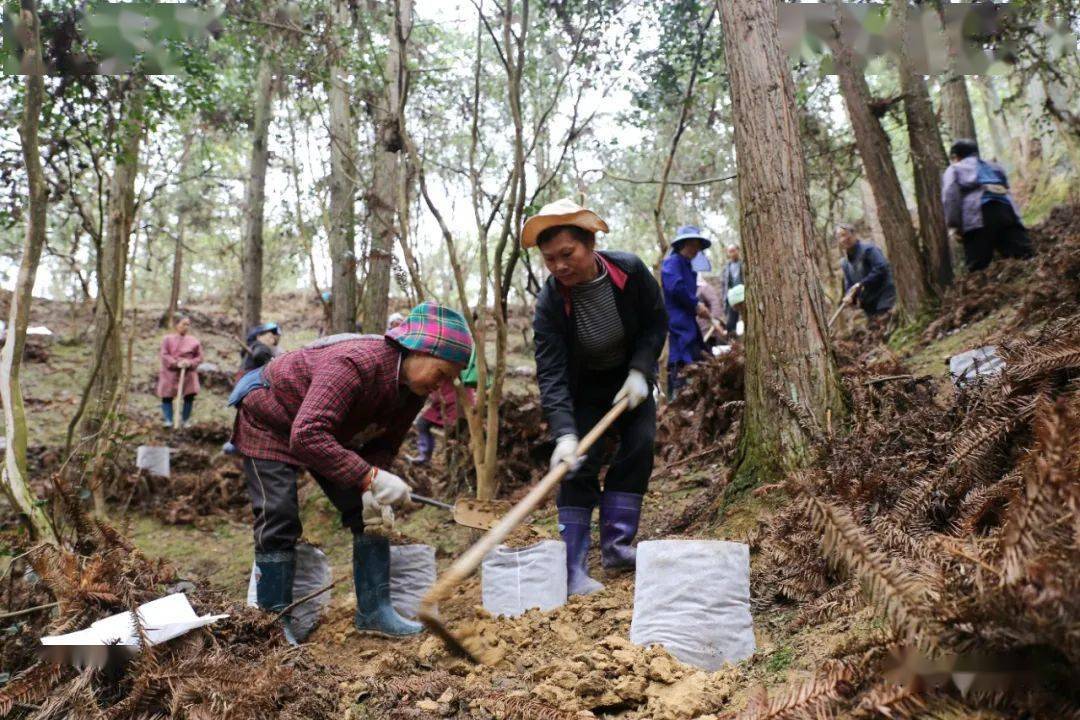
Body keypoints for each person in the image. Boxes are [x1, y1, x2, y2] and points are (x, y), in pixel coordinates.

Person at [228, 301, 473, 640]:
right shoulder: (354, 363)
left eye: (451, 379)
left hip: (323, 431)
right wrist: (368, 477)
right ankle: (271, 625)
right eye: (442, 373)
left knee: (369, 509)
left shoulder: (413, 391)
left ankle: (374, 612)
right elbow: (306, 435)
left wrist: (374, 482)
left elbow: (383, 445)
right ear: (418, 350)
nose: (442, 385)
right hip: (269, 419)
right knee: (279, 514)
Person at [524, 198, 666, 596]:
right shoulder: (550, 302)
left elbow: (656, 322)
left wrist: (641, 369)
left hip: (629, 381)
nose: (559, 266)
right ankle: (572, 569)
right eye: (550, 260)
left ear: (590, 244)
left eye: (567, 254)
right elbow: (550, 371)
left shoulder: (630, 271)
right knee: (577, 467)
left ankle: (618, 548)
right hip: (583, 389)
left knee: (639, 447)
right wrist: (565, 434)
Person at [942, 138, 1033, 272]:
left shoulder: (954, 169)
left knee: (978, 266)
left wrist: (954, 225)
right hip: (1006, 209)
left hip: (978, 215)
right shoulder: (994, 166)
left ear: (957, 156)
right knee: (1023, 255)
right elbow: (1006, 188)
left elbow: (951, 197)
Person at [661, 225, 712, 395]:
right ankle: (679, 390)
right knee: (682, 351)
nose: (696, 250)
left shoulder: (689, 268)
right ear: (684, 244)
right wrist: (696, 304)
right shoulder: (671, 263)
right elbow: (676, 287)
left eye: (698, 247)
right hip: (677, 319)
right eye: (693, 245)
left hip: (688, 319)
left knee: (699, 351)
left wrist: (697, 306)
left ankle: (695, 389)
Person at [837, 223, 897, 323]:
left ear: (853, 234)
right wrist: (849, 295)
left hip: (884, 294)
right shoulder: (845, 263)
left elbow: (881, 268)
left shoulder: (869, 249)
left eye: (845, 234)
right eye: (840, 237)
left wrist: (862, 284)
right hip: (869, 302)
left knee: (887, 322)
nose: (843, 239)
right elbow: (849, 284)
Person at [157, 315, 203, 429]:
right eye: (183, 324)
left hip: (188, 373)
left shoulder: (194, 341)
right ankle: (168, 420)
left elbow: (199, 357)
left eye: (188, 324)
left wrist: (189, 362)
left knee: (189, 396)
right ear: (177, 325)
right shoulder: (167, 339)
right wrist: (175, 363)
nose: (186, 327)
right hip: (170, 373)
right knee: (167, 396)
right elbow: (164, 354)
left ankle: (185, 420)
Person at [718, 244, 743, 335]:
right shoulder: (726, 268)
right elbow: (724, 284)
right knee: (731, 321)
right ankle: (732, 339)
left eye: (734, 250)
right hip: (732, 297)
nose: (732, 253)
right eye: (730, 251)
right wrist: (724, 297)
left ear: (738, 250)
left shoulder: (743, 264)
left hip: (744, 294)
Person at [696, 276, 724, 346]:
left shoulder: (705, 288)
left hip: (708, 328)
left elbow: (715, 303)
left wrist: (714, 319)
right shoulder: (692, 290)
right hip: (699, 330)